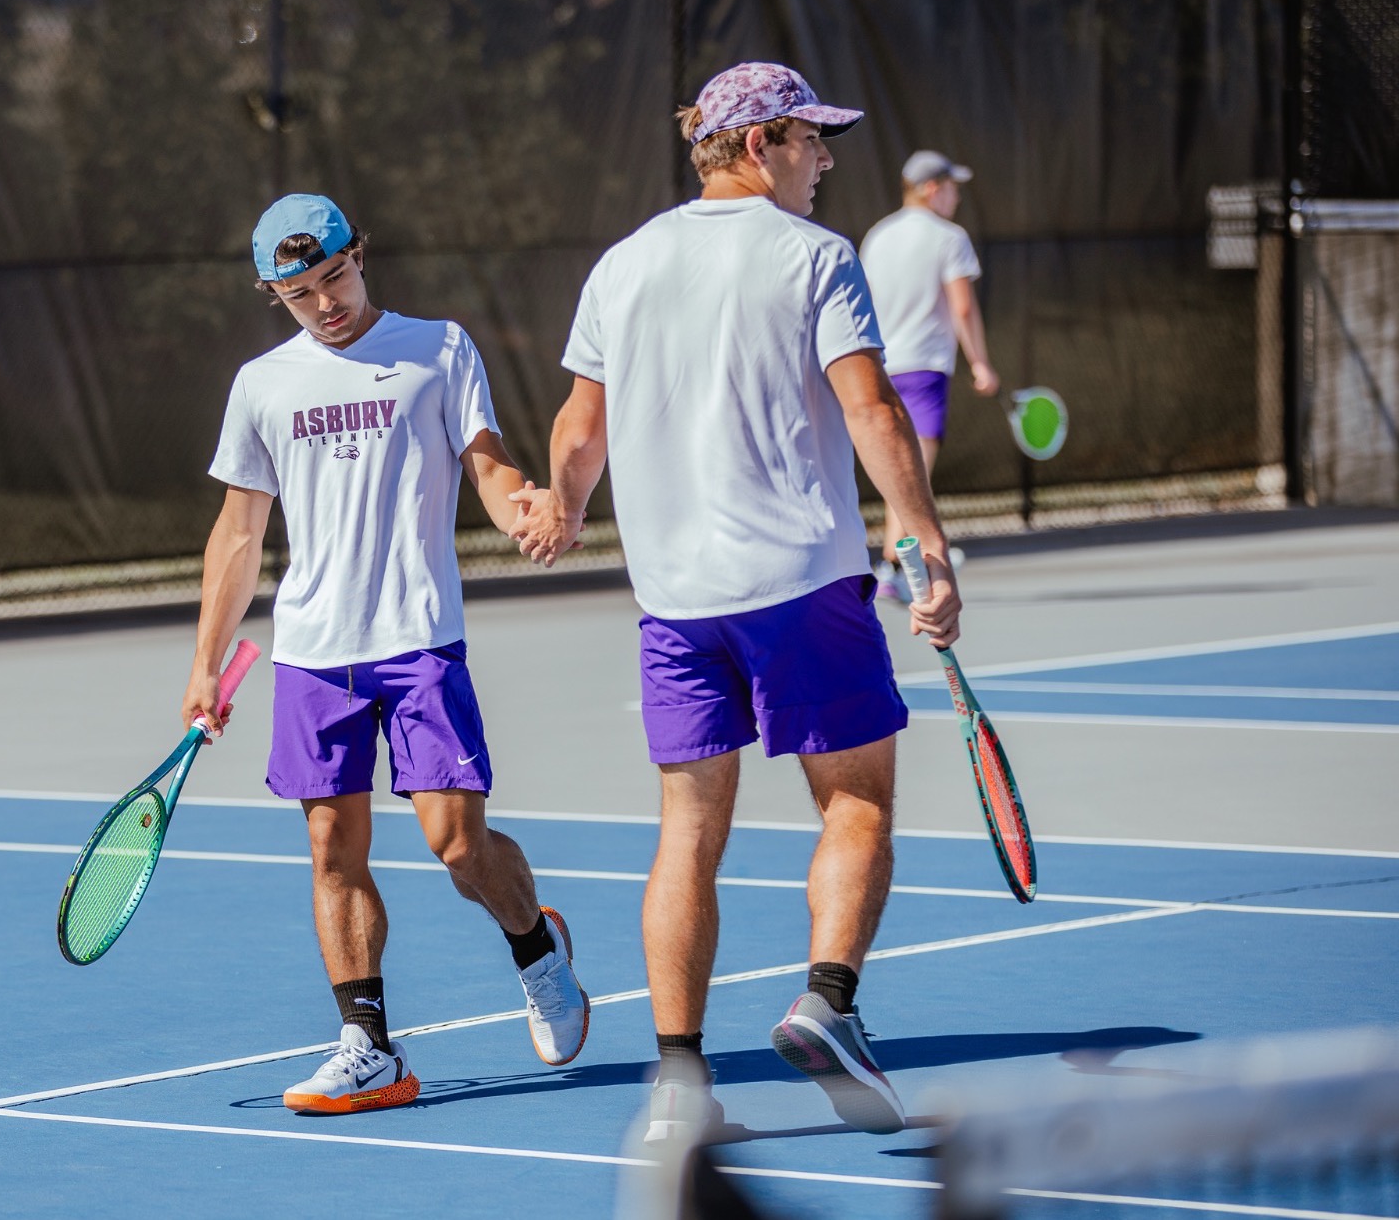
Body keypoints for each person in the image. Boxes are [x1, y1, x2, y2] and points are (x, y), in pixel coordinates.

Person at [509, 63, 962, 1140]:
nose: (825, 159)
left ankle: (676, 1088)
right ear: (757, 144)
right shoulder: (815, 257)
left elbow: (579, 429)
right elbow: (872, 413)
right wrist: (924, 542)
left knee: (686, 832)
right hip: (801, 584)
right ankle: (829, 1006)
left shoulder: (621, 266)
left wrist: (563, 510)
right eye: (810, 139)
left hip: (674, 604)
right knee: (854, 805)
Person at [185, 193, 591, 1116]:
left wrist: (523, 506)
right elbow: (236, 535)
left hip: (418, 640)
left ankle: (536, 946)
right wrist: (206, 664)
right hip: (312, 653)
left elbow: (486, 467)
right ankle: (369, 1045)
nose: (324, 302)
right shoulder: (261, 385)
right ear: (273, 294)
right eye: (299, 292)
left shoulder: (439, 349)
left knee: (457, 845)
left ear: (360, 256)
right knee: (333, 845)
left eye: (334, 277)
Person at [860, 150, 999, 599]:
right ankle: (892, 568)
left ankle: (888, 568)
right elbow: (962, 306)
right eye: (953, 188)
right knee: (912, 477)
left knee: (898, 471)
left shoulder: (876, 237)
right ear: (932, 190)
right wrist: (980, 363)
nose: (957, 196)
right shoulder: (949, 237)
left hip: (878, 369)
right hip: (922, 371)